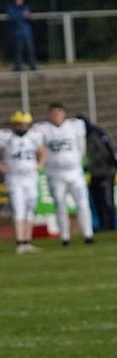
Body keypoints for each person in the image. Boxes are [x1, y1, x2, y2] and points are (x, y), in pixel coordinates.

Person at [35, 103, 93, 247]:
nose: (56, 116)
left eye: (58, 112)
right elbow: (38, 147)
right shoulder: (42, 129)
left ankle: (88, 235)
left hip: (74, 172)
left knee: (82, 203)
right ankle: (65, 237)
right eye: (53, 113)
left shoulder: (74, 125)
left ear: (64, 113)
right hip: (55, 173)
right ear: (49, 115)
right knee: (60, 205)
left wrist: (78, 160)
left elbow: (82, 146)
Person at [3, 111, 42, 252]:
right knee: (18, 208)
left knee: (30, 207)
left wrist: (40, 165)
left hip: (31, 177)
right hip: (15, 178)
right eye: (19, 124)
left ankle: (27, 241)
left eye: (24, 124)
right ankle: (20, 242)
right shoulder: (7, 137)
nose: (22, 126)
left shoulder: (34, 136)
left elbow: (42, 151)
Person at [79, 114, 117, 233]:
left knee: (105, 200)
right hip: (97, 173)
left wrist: (89, 166)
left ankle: (109, 225)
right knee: (99, 200)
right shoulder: (95, 133)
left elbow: (104, 153)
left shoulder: (94, 135)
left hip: (104, 172)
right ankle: (104, 225)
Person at [7, 0, 37, 71]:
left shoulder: (26, 7)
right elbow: (11, 18)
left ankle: (33, 66)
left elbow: (31, 20)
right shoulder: (11, 8)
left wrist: (30, 17)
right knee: (18, 51)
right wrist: (22, 15)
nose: (20, 0)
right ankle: (18, 67)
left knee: (30, 50)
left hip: (27, 33)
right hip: (17, 33)